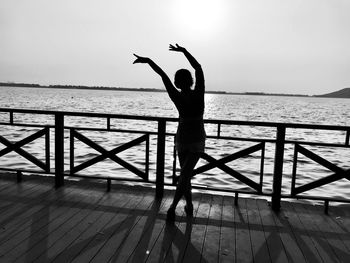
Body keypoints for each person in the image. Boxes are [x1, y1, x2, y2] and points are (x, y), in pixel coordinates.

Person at [133, 43, 206, 222]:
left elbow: (162, 75)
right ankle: (188, 204)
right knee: (185, 175)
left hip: (183, 139)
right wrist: (184, 52)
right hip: (195, 139)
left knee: (184, 175)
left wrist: (148, 60)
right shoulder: (199, 93)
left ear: (177, 82)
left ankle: (173, 207)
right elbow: (198, 68)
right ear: (190, 80)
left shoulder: (176, 95)